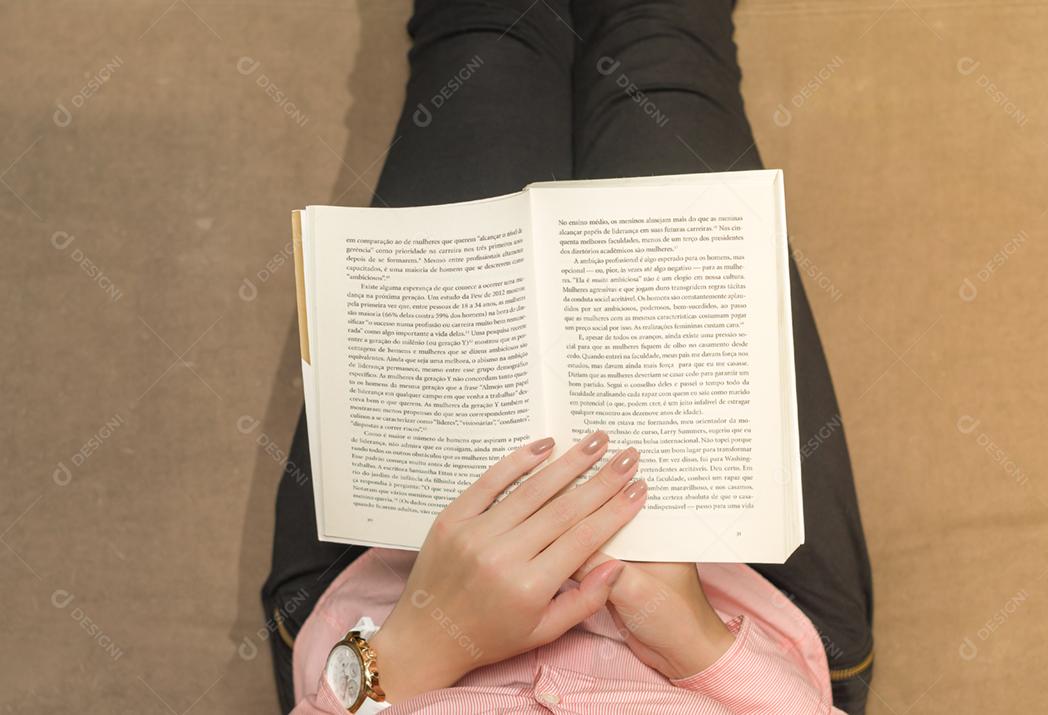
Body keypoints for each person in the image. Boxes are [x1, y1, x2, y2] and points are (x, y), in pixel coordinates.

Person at [261, 0, 874, 713]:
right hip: (743, 596)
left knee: (481, 50)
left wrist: (427, 637)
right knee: (665, 52)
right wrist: (698, 640)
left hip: (389, 597)